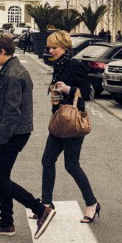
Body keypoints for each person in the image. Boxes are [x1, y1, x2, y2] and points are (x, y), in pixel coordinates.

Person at [0, 33, 54, 239]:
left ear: (3, 52)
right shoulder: (14, 70)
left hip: (14, 133)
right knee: (1, 178)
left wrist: (2, 138)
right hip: (17, 132)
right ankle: (6, 222)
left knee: (1, 179)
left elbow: (13, 111)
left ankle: (40, 210)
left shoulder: (13, 74)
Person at [40, 30, 100, 224]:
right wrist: (55, 92)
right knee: (47, 161)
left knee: (71, 165)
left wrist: (68, 89)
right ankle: (46, 205)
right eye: (49, 47)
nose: (51, 50)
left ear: (65, 47)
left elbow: (89, 92)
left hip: (73, 122)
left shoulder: (74, 64)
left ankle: (92, 203)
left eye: (54, 47)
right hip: (59, 120)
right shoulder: (58, 65)